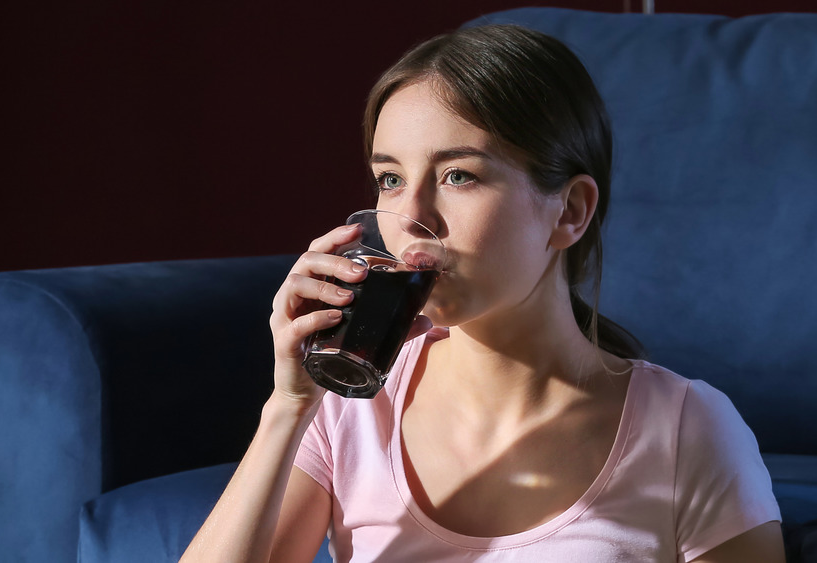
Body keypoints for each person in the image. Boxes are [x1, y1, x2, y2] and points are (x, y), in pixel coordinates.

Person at [181, 24, 784, 563]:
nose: (412, 217)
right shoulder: (351, 407)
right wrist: (288, 407)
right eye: (390, 179)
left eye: (458, 176)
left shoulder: (686, 430)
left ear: (569, 211)